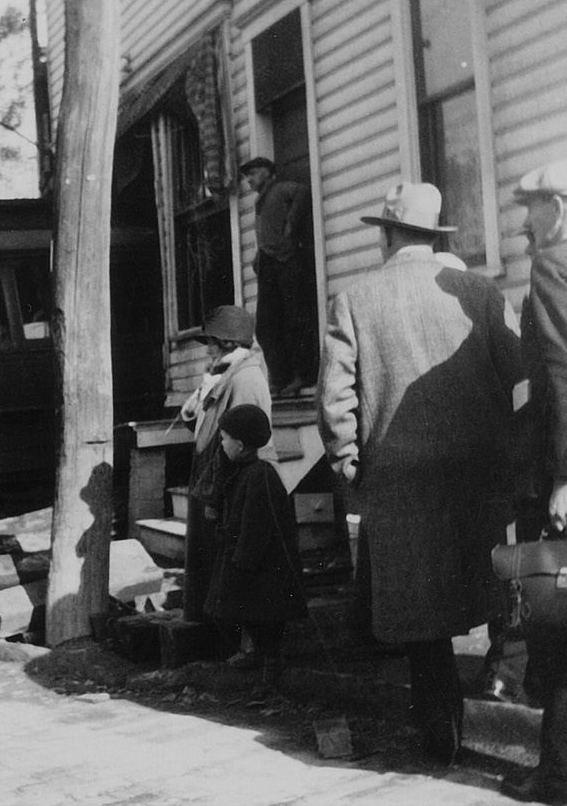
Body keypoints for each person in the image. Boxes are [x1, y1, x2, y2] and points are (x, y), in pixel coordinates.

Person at [318, 181, 523, 764]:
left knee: (423, 623)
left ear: (385, 235)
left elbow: (335, 401)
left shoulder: (353, 299)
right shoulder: (479, 293)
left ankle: (442, 739)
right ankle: (504, 689)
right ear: (435, 237)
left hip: (400, 484)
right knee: (492, 592)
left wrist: (351, 466)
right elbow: (521, 375)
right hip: (478, 481)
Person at [501, 159, 567, 806]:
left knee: (564, 621)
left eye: (530, 205)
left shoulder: (557, 264)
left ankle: (563, 777)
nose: (523, 219)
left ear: (558, 208)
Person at [178, 305, 276, 632]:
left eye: (214, 343)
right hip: (216, 474)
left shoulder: (245, 378)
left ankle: (236, 641)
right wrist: (198, 404)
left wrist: (219, 495)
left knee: (235, 570)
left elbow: (245, 441)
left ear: (231, 345)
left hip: (235, 481)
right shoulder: (224, 375)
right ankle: (215, 634)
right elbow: (209, 429)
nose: (208, 350)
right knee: (213, 568)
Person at [203, 405, 306, 685]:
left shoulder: (261, 474)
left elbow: (256, 524)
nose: (221, 444)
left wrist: (244, 558)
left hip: (263, 563)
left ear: (240, 444)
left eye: (224, 439)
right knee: (243, 610)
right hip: (246, 558)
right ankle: (262, 654)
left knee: (266, 615)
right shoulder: (242, 469)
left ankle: (271, 662)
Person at [240, 156, 317, 397]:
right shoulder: (260, 200)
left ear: (268, 172)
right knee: (265, 324)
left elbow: (304, 192)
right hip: (269, 264)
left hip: (289, 260)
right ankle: (280, 378)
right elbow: (267, 229)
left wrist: (292, 225)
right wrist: (259, 253)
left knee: (296, 318)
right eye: (247, 176)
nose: (249, 180)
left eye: (253, 174)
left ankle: (304, 375)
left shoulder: (283, 188)